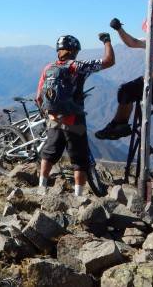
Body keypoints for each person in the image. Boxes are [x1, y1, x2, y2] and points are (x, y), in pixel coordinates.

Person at [35, 33, 114, 196]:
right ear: (73, 51)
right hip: (74, 121)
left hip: (54, 119)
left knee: (49, 153)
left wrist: (50, 115)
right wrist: (107, 41)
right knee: (79, 159)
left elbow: (38, 98)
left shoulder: (48, 68)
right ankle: (78, 197)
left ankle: (41, 188)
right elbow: (109, 61)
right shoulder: (77, 66)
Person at [95, 8, 153, 140]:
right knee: (126, 89)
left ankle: (118, 126)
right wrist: (119, 29)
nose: (152, 33)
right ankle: (119, 125)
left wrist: (145, 78)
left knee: (127, 89)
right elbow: (132, 42)